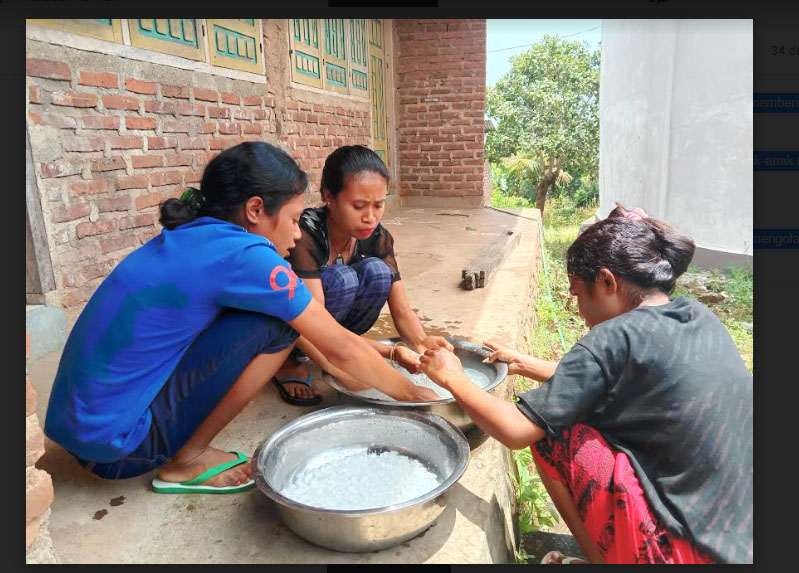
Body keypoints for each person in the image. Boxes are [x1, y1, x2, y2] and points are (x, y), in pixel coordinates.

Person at [44, 142, 440, 495]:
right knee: (281, 323)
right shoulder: (248, 256)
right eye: (291, 219)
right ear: (255, 210)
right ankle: (187, 460)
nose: (298, 235)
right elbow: (338, 346)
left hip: (81, 431)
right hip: (122, 450)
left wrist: (389, 356)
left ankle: (180, 445)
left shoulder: (194, 234)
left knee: (267, 312)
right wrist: (414, 395)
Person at [418, 205, 753, 564]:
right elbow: (615, 380)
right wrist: (523, 363)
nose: (577, 309)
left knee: (551, 433)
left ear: (607, 282)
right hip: (741, 540)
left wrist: (452, 376)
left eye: (577, 294)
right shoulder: (697, 317)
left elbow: (516, 430)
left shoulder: (611, 337)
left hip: (679, 554)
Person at [272, 145, 452, 405]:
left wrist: (422, 342)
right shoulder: (304, 234)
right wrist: (352, 364)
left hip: (336, 332)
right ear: (328, 196)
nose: (370, 217)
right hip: (302, 327)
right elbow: (311, 320)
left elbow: (401, 311)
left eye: (378, 205)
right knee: (343, 279)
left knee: (378, 272)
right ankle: (291, 363)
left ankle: (349, 353)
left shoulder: (378, 237)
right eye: (358, 206)